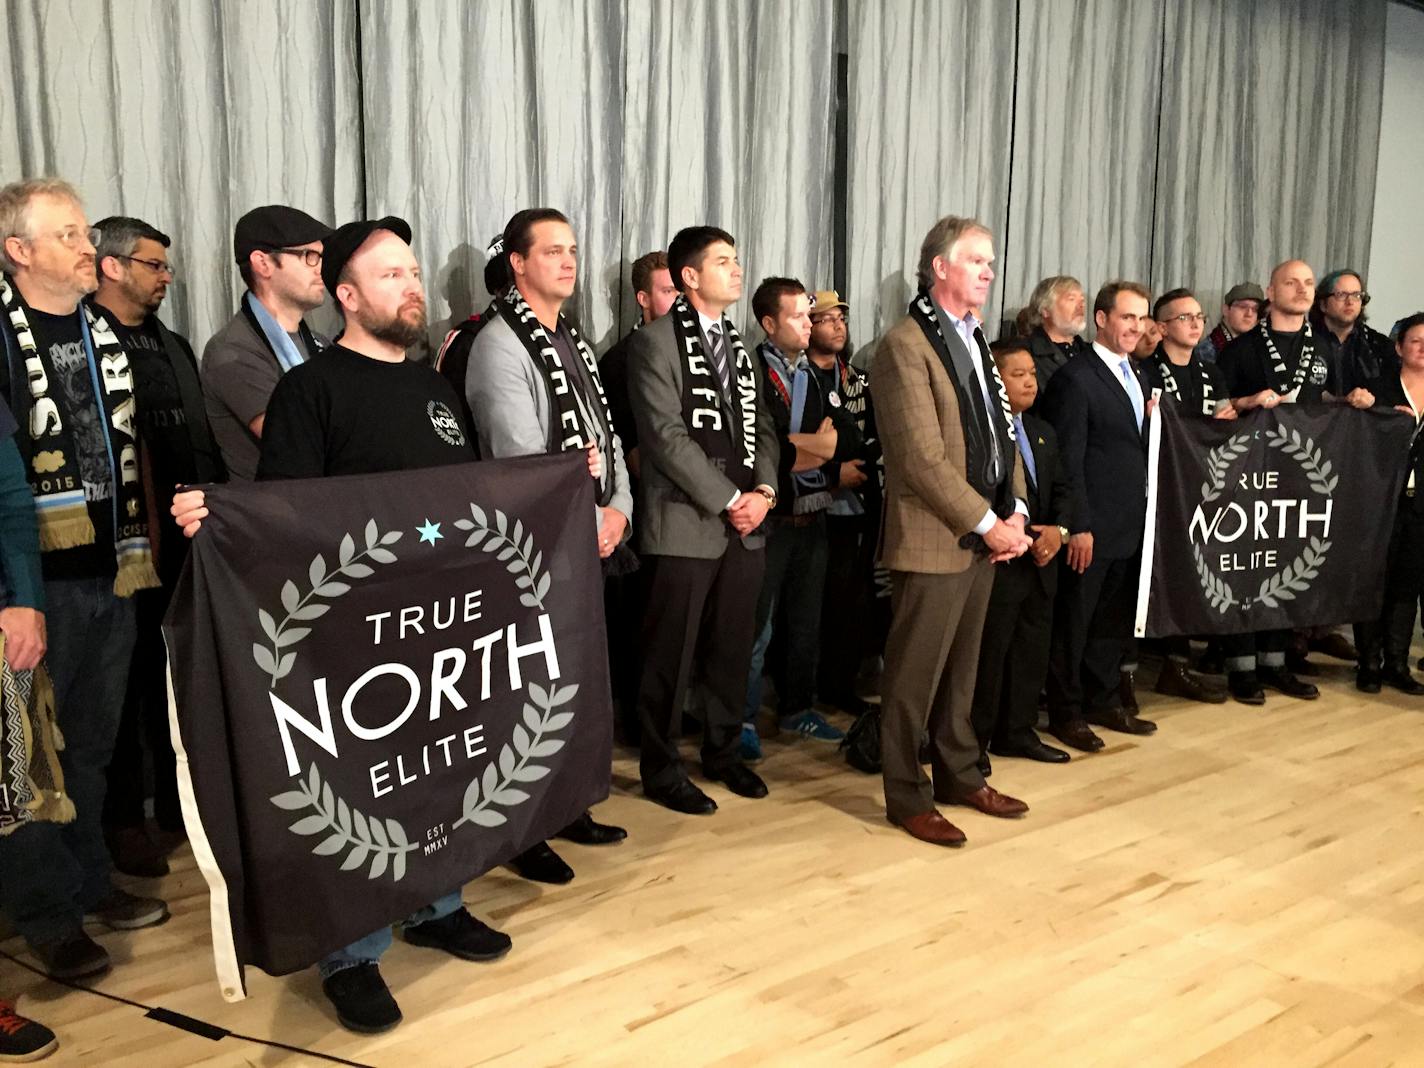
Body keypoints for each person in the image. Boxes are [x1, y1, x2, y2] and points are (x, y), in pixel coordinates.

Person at [173, 218, 511, 1035]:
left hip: (440, 629)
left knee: (436, 769)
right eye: (390, 274)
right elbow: (287, 515)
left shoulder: (434, 388)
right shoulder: (310, 390)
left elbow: (464, 500)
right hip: (352, 639)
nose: (412, 285)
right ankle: (351, 952)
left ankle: (437, 903)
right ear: (349, 297)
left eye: (414, 270)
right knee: (362, 787)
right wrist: (224, 517)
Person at [0, 178, 167, 981]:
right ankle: (47, 917)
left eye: (85, 232)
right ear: (19, 250)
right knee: (34, 756)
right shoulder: (1, 333)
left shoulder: (103, 327)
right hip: (34, 586)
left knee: (95, 746)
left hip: (113, 567)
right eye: (66, 234)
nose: (85, 246)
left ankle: (89, 878)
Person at [462, 207, 630, 883]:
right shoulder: (500, 344)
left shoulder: (575, 342)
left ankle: (569, 805)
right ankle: (525, 829)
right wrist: (587, 519)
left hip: (592, 533)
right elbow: (520, 460)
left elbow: (607, 436)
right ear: (518, 264)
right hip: (534, 551)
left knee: (579, 685)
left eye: (572, 249)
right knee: (530, 694)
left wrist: (616, 508)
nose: (568, 261)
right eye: (551, 251)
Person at [874, 215, 1033, 848]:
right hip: (934, 535)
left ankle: (960, 775)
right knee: (914, 678)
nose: (989, 271)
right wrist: (992, 524)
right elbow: (919, 459)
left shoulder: (976, 340)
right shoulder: (904, 346)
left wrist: (1017, 509)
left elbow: (1006, 435)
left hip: (984, 535)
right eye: (976, 261)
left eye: (991, 261)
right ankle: (906, 795)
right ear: (940, 266)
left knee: (961, 674)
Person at [625, 226, 778, 815]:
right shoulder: (655, 344)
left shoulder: (739, 346)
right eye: (723, 262)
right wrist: (728, 499)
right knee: (671, 652)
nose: (737, 271)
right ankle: (662, 768)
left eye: (737, 260)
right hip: (686, 521)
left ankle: (722, 752)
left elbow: (763, 425)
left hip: (748, 522)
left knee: (731, 648)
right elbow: (664, 436)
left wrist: (762, 490)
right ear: (689, 277)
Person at [90, 216, 225, 877]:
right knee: (120, 690)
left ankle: (180, 805)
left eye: (166, 266)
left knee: (176, 681)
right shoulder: (86, 340)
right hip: (116, 550)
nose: (165, 276)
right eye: (152, 264)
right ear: (110, 266)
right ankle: (122, 821)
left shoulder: (172, 343)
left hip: (186, 544)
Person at [1217, 259, 1373, 703]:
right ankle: (1241, 667)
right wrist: (1248, 401)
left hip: (1300, 472)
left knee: (1287, 565)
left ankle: (1276, 660)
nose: (1302, 290)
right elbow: (1215, 407)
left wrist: (1349, 400)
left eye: (1308, 283)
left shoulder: (1322, 347)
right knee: (1247, 569)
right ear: (1272, 289)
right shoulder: (1242, 349)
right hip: (1248, 475)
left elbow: (1319, 399)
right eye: (1292, 282)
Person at [741, 277, 858, 759]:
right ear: (769, 324)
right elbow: (757, 448)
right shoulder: (750, 371)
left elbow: (846, 441)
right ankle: (742, 718)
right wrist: (816, 449)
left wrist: (813, 452)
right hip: (769, 521)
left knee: (806, 621)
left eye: (810, 316)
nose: (808, 325)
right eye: (797, 317)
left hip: (813, 516)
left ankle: (797, 707)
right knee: (756, 628)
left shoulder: (814, 374)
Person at [1041, 281, 1158, 752]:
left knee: (1112, 621)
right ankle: (1065, 712)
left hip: (1130, 523)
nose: (1136, 326)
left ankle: (1103, 697)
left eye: (1142, 318)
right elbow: (1068, 459)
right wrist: (1077, 525)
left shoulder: (1142, 375)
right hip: (1091, 526)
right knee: (1074, 623)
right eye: (1127, 317)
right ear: (1103, 319)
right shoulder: (1076, 377)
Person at [970, 341, 1073, 769]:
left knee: (1032, 648)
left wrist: (1060, 531)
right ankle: (973, 743)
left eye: (1033, 373)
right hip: (999, 557)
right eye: (1018, 374)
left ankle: (1017, 732)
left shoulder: (1042, 430)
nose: (1030, 381)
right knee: (989, 655)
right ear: (994, 379)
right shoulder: (981, 430)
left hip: (1041, 559)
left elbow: (1065, 490)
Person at [1140, 288, 1233, 704]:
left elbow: (1224, 426)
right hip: (1154, 487)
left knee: (1189, 571)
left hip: (1201, 486)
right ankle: (1141, 665)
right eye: (1184, 318)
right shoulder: (1145, 370)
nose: (1196, 324)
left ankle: (1178, 664)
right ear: (1161, 327)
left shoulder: (1210, 372)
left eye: (1199, 316)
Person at [201, 205, 331, 480]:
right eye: (310, 256)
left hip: (317, 503)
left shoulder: (319, 343)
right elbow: (295, 439)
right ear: (263, 263)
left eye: (322, 257)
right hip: (268, 514)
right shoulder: (232, 351)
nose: (322, 268)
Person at [806, 290, 883, 726]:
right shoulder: (799, 377)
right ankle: (804, 690)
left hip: (858, 506)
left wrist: (859, 469)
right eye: (825, 319)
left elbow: (876, 437)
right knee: (811, 606)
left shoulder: (859, 379)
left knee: (853, 603)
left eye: (841, 319)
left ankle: (842, 685)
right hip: (813, 505)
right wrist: (833, 473)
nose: (837, 325)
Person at [1355, 313, 1424, 695]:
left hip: (1421, 508)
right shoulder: (1378, 389)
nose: (1423, 348)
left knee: (1407, 585)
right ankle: (1368, 662)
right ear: (1399, 347)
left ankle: (1397, 663)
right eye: (1416, 340)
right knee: (1374, 582)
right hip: (1381, 501)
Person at [1312, 269, 1396, 397]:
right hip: (1313, 416)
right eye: (1341, 295)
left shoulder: (1378, 345)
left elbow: (1390, 392)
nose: (1350, 302)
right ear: (1323, 304)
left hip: (1362, 416)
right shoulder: (1305, 340)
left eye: (1356, 295)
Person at [1017, 275, 1090, 393]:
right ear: (1045, 309)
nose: (1081, 305)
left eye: (1082, 300)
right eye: (1071, 299)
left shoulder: (1092, 352)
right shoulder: (1024, 353)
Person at [1198, 282, 1263, 362]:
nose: (1249, 314)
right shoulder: (1206, 351)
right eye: (1243, 307)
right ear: (1226, 310)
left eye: (1255, 309)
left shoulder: (1257, 347)